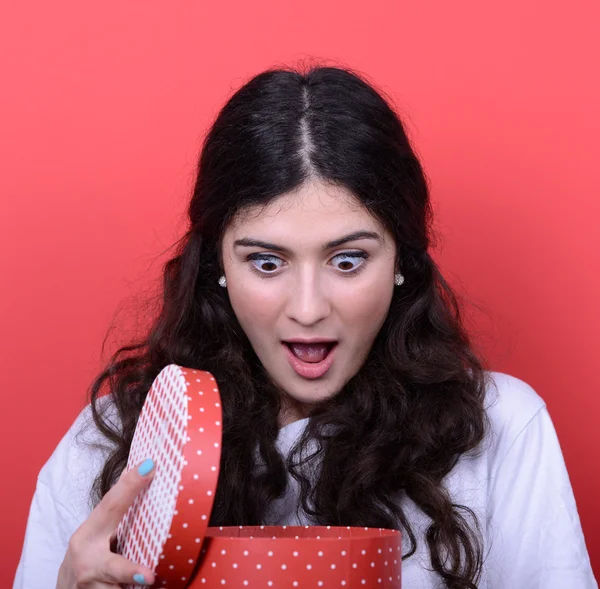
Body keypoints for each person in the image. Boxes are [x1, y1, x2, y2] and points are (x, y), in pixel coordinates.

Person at [13, 64, 597, 589]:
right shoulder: (117, 442)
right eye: (266, 262)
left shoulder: (499, 429)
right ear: (218, 265)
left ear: (402, 261)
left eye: (348, 261)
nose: (309, 308)